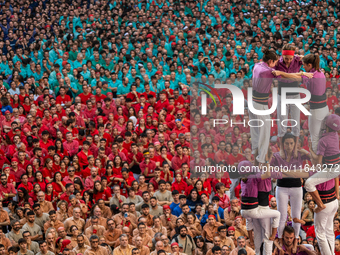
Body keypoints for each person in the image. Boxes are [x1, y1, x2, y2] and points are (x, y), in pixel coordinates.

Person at [272, 54, 328, 152]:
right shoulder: (320, 72)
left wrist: (280, 72)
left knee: (314, 139)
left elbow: (292, 78)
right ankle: (322, 161)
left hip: (316, 111)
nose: (303, 67)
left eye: (305, 65)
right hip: (324, 108)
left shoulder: (311, 75)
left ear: (310, 65)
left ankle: (317, 164)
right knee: (321, 137)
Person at [249, 48, 279, 166]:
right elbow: (282, 74)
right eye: (275, 62)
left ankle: (255, 150)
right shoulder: (267, 72)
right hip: (260, 104)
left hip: (253, 102)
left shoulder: (258, 65)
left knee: (256, 131)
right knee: (265, 132)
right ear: (271, 61)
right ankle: (261, 159)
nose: (276, 64)